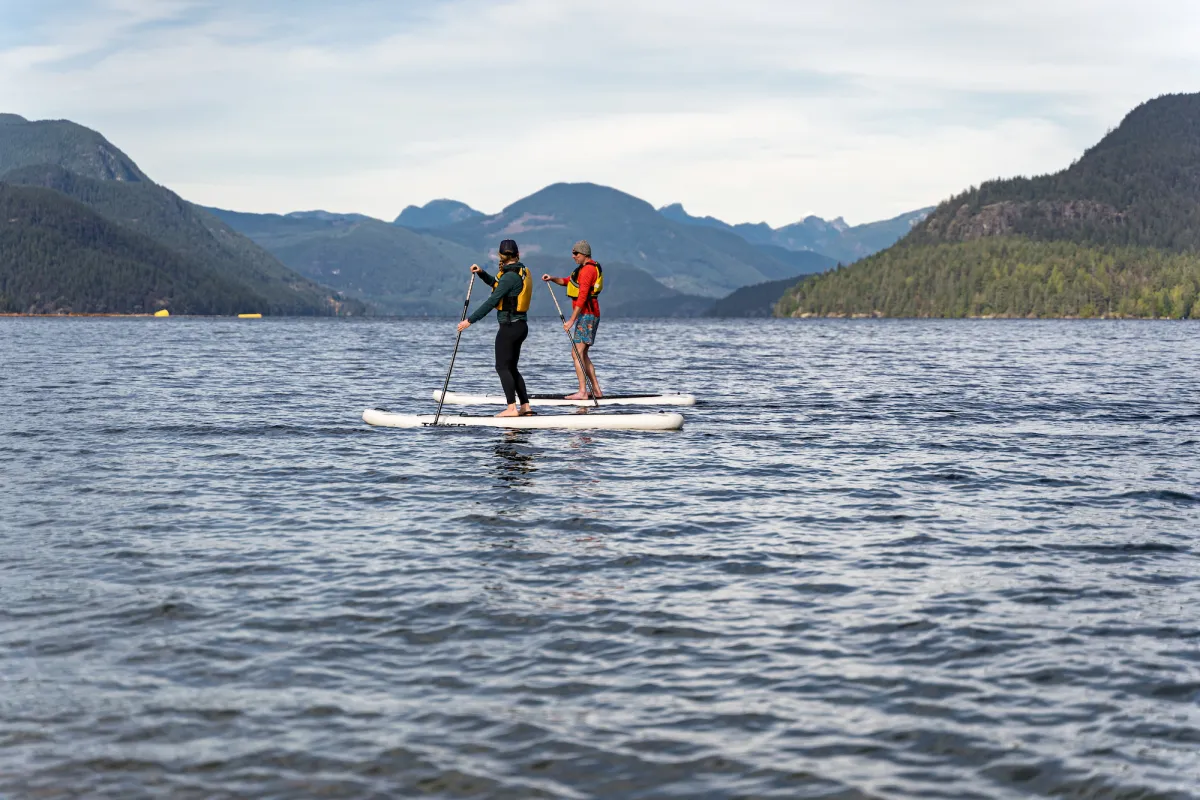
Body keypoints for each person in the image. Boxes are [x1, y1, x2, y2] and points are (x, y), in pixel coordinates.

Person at [457, 239, 534, 417]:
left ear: (501, 256)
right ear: (517, 254)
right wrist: (482, 273)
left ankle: (511, 408)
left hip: (509, 327)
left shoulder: (509, 276)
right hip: (520, 326)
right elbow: (498, 286)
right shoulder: (519, 272)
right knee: (512, 367)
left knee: (502, 367)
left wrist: (470, 320)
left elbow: (492, 301)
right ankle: (525, 407)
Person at [542, 240, 603, 400]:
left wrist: (571, 321)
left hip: (587, 315)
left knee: (576, 353)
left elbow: (582, 298)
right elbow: (567, 281)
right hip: (588, 315)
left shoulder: (588, 271)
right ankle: (596, 391)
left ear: (584, 254)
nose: (573, 256)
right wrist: (552, 278)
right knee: (582, 354)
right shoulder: (581, 270)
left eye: (576, 253)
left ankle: (583, 392)